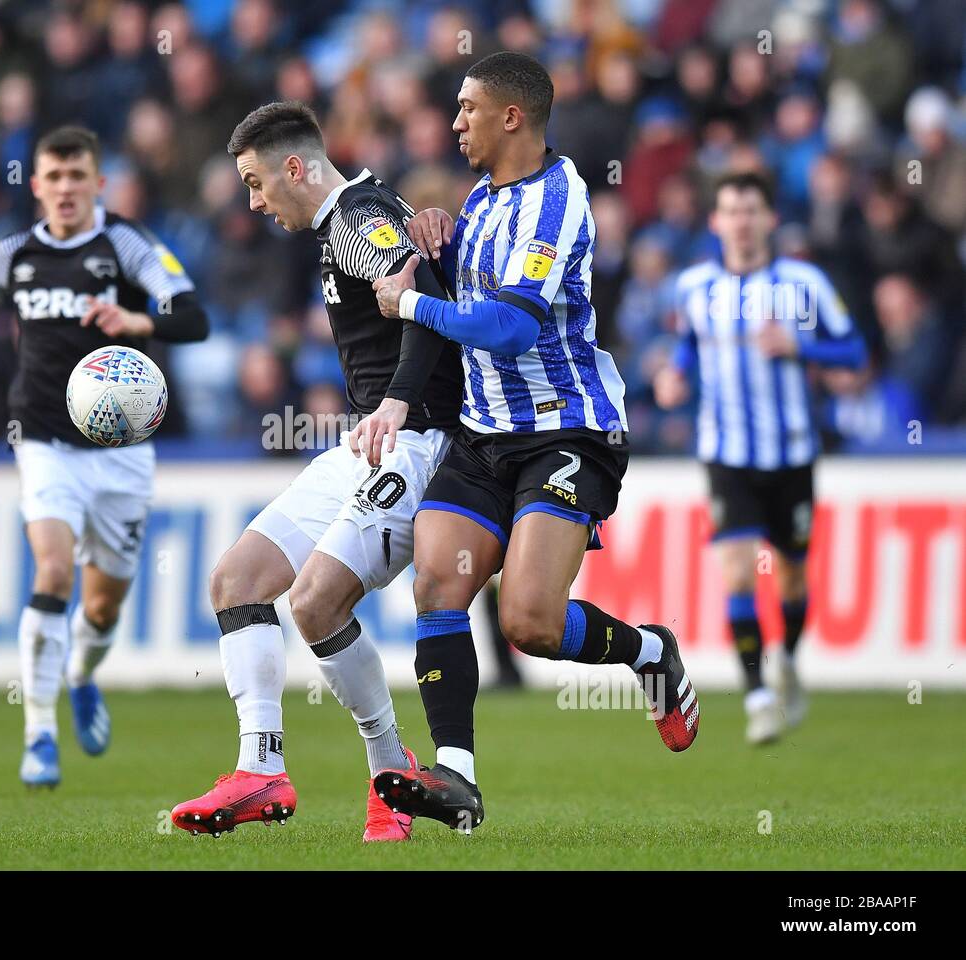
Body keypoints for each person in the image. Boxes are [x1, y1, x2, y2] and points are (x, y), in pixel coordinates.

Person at [359, 52, 699, 831]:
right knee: (438, 586)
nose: (454, 123)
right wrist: (436, 248)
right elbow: (464, 295)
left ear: (512, 117)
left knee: (530, 625)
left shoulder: (558, 204)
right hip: (484, 437)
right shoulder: (480, 200)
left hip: (569, 435)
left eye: (467, 108)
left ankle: (650, 652)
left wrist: (410, 304)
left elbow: (510, 329)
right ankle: (457, 777)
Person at [170, 101, 463, 842]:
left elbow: (420, 303)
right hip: (367, 441)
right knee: (237, 582)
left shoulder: (358, 217)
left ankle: (389, 775)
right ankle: (261, 767)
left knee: (314, 604)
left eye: (256, 182)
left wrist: (397, 404)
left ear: (294, 167)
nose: (253, 202)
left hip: (418, 440)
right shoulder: (352, 217)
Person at [0, 126, 208, 787]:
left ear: (98, 183)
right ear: (35, 186)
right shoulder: (12, 255)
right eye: (53, 178)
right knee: (53, 572)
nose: (65, 189)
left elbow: (193, 317)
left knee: (101, 608)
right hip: (42, 440)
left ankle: (81, 677)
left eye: (78, 177)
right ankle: (38, 735)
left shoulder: (126, 244)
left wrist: (138, 322)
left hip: (122, 451)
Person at [654, 171, 866, 744]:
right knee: (738, 571)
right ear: (715, 222)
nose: (741, 222)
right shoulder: (695, 286)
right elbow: (689, 348)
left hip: (792, 454)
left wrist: (803, 347)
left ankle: (788, 659)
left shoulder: (805, 284)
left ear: (770, 219)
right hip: (726, 454)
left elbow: (854, 348)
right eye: (731, 211)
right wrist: (675, 378)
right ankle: (759, 696)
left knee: (792, 577)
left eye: (751, 211)